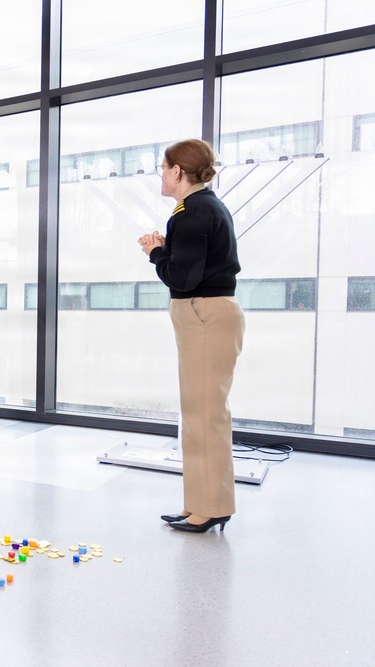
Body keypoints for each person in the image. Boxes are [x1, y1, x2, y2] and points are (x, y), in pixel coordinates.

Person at [139, 138, 245, 533]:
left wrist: (155, 253)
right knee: (200, 415)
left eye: (164, 168)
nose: (161, 175)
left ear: (179, 172)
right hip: (208, 314)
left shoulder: (191, 213)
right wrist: (170, 249)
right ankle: (200, 503)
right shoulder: (201, 207)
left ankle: (212, 507)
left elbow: (181, 277)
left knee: (204, 418)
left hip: (204, 314)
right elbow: (193, 265)